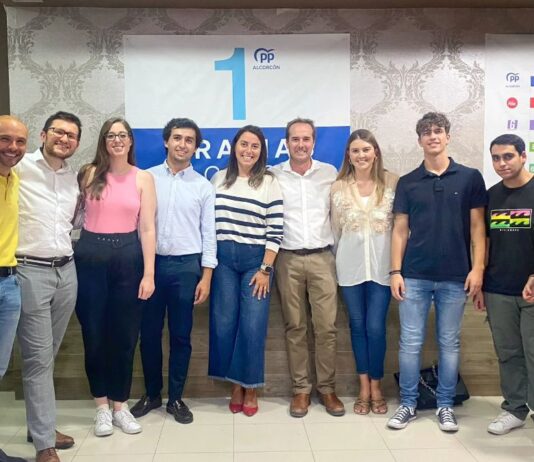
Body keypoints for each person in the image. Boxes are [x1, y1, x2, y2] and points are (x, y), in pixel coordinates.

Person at [388, 112, 487, 432]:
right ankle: (408, 403)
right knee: (410, 343)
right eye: (426, 132)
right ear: (419, 140)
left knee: (449, 342)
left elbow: (477, 229)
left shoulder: (470, 177)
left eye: (438, 131)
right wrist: (395, 271)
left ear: (448, 137)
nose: (433, 136)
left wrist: (478, 269)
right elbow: (400, 230)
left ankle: (445, 404)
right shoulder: (408, 182)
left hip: (455, 276)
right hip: (414, 275)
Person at [131, 118, 216, 423]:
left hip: (185, 268)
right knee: (149, 334)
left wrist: (206, 276)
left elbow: (209, 235)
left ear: (196, 146)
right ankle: (153, 394)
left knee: (181, 336)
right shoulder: (146, 178)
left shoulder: (204, 187)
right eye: (177, 138)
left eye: (189, 140)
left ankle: (175, 399)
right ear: (166, 141)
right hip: (150, 266)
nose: (182, 144)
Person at [75, 117, 156, 436]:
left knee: (125, 337)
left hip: (129, 257)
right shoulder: (88, 173)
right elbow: (73, 215)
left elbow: (148, 228)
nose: (117, 140)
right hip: (90, 256)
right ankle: (101, 408)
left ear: (131, 141)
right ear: (104, 141)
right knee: (94, 336)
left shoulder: (143, 178)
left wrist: (149, 274)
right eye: (111, 135)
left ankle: (120, 406)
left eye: (123, 135)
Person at [15, 112, 82, 462]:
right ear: (43, 134)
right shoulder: (18, 167)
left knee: (48, 355)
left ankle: (38, 424)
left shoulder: (75, 178)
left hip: (66, 272)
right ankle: (44, 445)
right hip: (30, 271)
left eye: (71, 135)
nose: (65, 139)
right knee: (39, 359)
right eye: (58, 132)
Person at [208, 125, 283, 417]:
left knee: (253, 325)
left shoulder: (268, 182)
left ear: (261, 151)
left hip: (257, 262)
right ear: (234, 147)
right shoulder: (218, 180)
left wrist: (265, 268)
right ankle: (234, 384)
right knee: (224, 322)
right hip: (224, 261)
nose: (248, 150)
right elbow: (210, 227)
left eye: (254, 146)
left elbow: (275, 230)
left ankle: (250, 386)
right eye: (244, 144)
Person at [271, 118, 343, 418]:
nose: (301, 144)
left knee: (326, 328)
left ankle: (326, 389)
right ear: (286, 142)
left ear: (314, 142)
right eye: (295, 139)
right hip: (286, 258)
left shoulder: (329, 173)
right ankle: (301, 390)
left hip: (323, 258)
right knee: (295, 327)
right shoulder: (273, 175)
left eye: (306, 139)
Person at [331, 129, 398, 415]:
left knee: (375, 327)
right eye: (356, 150)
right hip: (349, 268)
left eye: (366, 150)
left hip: (384, 270)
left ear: (375, 152)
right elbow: (334, 231)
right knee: (357, 327)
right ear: (349, 154)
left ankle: (377, 385)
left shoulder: (393, 182)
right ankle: (363, 387)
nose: (361, 155)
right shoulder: (337, 187)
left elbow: (401, 228)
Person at [473, 134, 534, 435]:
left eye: (508, 156)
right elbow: (485, 242)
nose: (501, 163)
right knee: (508, 352)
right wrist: (481, 281)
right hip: (499, 289)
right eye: (496, 158)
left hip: (532, 289)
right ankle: (515, 408)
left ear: (523, 156)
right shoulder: (492, 196)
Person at [0, 115, 29, 462]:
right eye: (5, 139)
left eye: (19, 142)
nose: (12, 147)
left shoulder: (16, 179)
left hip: (9, 282)